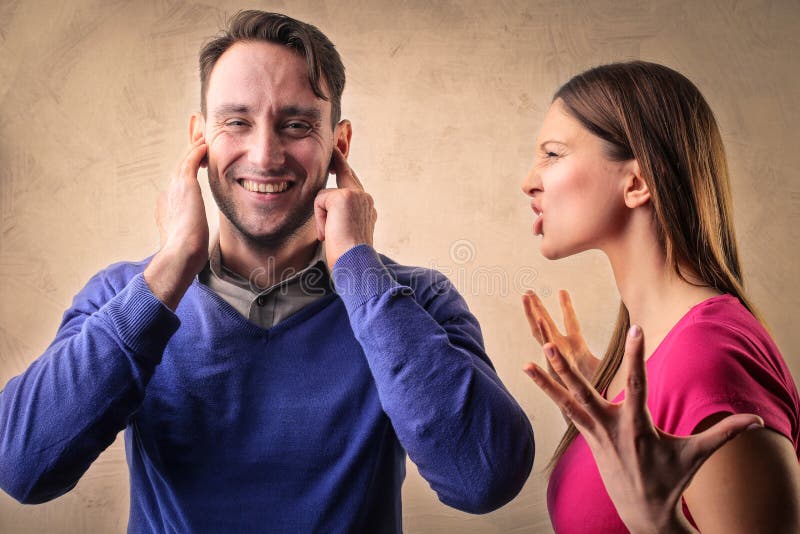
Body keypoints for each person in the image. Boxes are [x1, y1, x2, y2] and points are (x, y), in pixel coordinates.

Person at [0, 10, 535, 532]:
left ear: (339, 145)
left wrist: (358, 272)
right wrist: (172, 267)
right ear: (199, 142)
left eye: (297, 125)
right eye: (236, 122)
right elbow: (22, 468)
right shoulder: (127, 296)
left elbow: (483, 479)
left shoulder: (415, 301)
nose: (265, 153)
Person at [520, 61, 800, 532]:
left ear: (637, 182)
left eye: (552, 154)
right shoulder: (659, 359)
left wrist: (656, 522)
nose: (529, 180)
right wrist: (605, 386)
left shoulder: (710, 361)